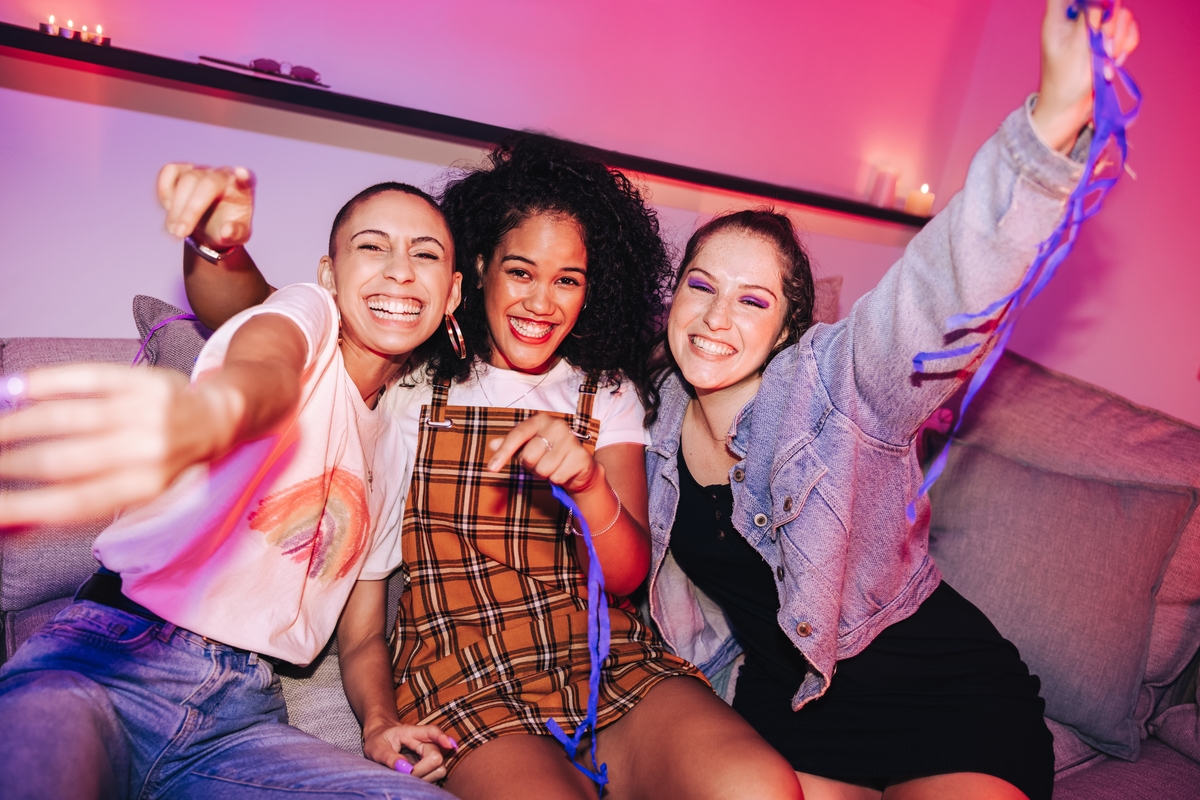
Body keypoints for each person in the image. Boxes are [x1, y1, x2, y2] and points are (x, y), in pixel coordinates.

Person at [175, 139, 803, 800]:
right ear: (478, 269)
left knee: (760, 789)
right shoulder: (416, 367)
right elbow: (247, 312)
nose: (542, 301)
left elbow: (625, 573)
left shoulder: (607, 391)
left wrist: (585, 482)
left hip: (603, 658)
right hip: (463, 669)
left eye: (568, 280)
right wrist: (216, 244)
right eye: (521, 271)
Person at [642, 2, 1140, 800]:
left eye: (752, 301)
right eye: (700, 287)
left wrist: (1053, 118)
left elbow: (939, 290)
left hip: (941, 696)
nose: (715, 318)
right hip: (792, 707)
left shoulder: (836, 386)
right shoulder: (655, 412)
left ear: (787, 331)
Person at [0, 173, 464, 799]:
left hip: (239, 720)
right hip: (106, 660)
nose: (401, 272)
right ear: (329, 274)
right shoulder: (309, 315)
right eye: (373, 247)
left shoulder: (400, 444)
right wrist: (230, 395)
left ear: (453, 293)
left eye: (426, 254)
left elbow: (361, 636)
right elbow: (260, 337)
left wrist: (380, 724)